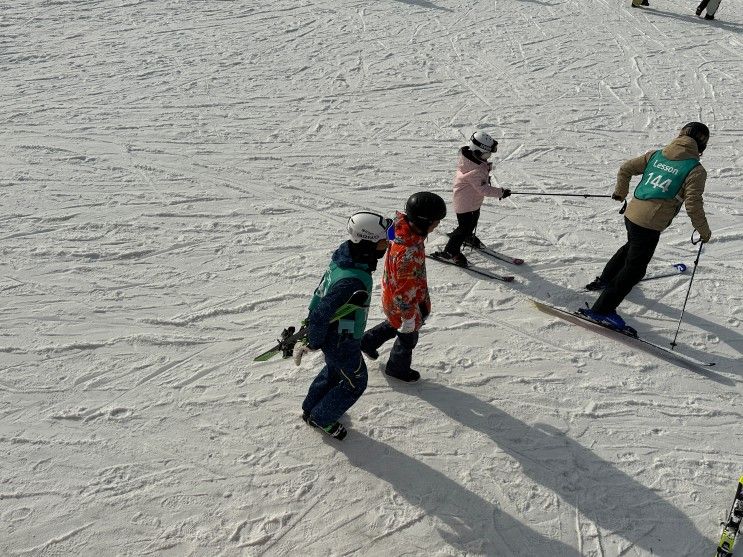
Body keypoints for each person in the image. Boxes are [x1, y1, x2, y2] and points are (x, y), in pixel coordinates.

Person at [581, 122, 712, 330]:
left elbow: (625, 169)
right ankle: (602, 309)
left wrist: (621, 191)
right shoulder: (695, 170)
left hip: (632, 214)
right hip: (650, 223)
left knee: (630, 247)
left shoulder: (656, 155)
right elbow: (693, 204)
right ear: (701, 146)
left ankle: (606, 280)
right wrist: (704, 231)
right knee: (634, 270)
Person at [296, 211, 392, 440]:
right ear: (367, 243)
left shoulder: (346, 256)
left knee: (334, 371)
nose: (387, 244)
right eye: (383, 240)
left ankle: (312, 407)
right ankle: (322, 418)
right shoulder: (352, 280)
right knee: (356, 381)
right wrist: (313, 340)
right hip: (342, 340)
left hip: (340, 333)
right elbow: (321, 315)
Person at [360, 192, 446, 382]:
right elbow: (405, 292)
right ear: (423, 222)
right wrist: (409, 319)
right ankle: (397, 368)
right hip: (404, 303)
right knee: (408, 338)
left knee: (393, 323)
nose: (438, 225)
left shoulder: (400, 229)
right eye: (435, 222)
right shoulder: (408, 252)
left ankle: (367, 342)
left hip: (392, 296)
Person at [434, 131, 511, 268]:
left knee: (472, 222)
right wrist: (501, 193)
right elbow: (484, 189)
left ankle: (467, 237)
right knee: (463, 228)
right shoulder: (474, 171)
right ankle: (450, 251)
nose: (488, 157)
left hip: (472, 201)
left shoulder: (471, 161)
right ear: (477, 151)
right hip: (465, 204)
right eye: (486, 154)